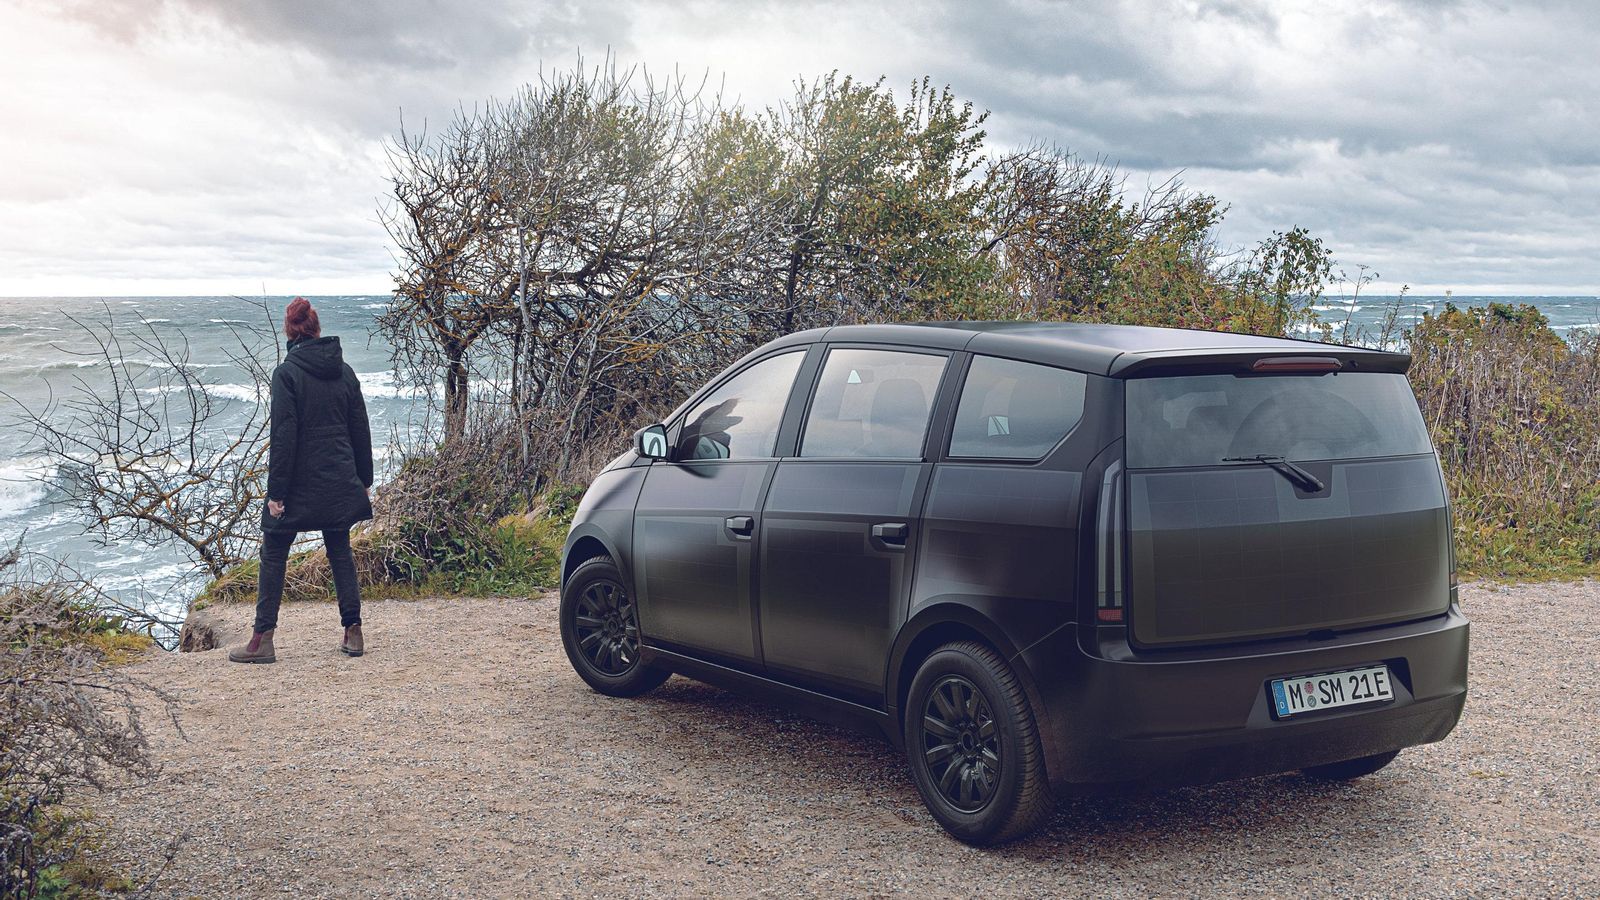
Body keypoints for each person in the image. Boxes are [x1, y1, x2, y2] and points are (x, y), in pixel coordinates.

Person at [230, 297, 374, 663]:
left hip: (298, 485)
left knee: (274, 550)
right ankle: (353, 633)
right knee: (339, 548)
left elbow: (284, 437)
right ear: (317, 328)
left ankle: (262, 640)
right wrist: (365, 479)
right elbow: (360, 428)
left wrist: (276, 493)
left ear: (290, 331)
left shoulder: (286, 374)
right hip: (340, 480)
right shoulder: (345, 372)